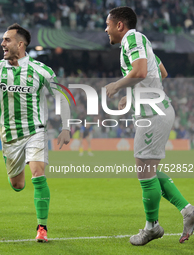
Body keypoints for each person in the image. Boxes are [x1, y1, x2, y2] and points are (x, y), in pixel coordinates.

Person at [0, 23, 70, 242]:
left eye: (7, 40)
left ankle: (42, 227)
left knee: (38, 175)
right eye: (3, 40)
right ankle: (14, 163)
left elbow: (62, 97)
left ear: (20, 44)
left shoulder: (41, 70)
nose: (2, 43)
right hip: (9, 136)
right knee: (18, 185)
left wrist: (66, 127)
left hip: (36, 130)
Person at [104, 6, 194, 245]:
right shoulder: (143, 44)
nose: (106, 29)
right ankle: (187, 211)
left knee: (144, 172)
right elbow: (161, 72)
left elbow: (142, 71)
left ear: (120, 25)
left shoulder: (132, 38)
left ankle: (151, 227)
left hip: (153, 113)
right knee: (148, 171)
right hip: (156, 110)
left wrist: (118, 85)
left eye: (108, 24)